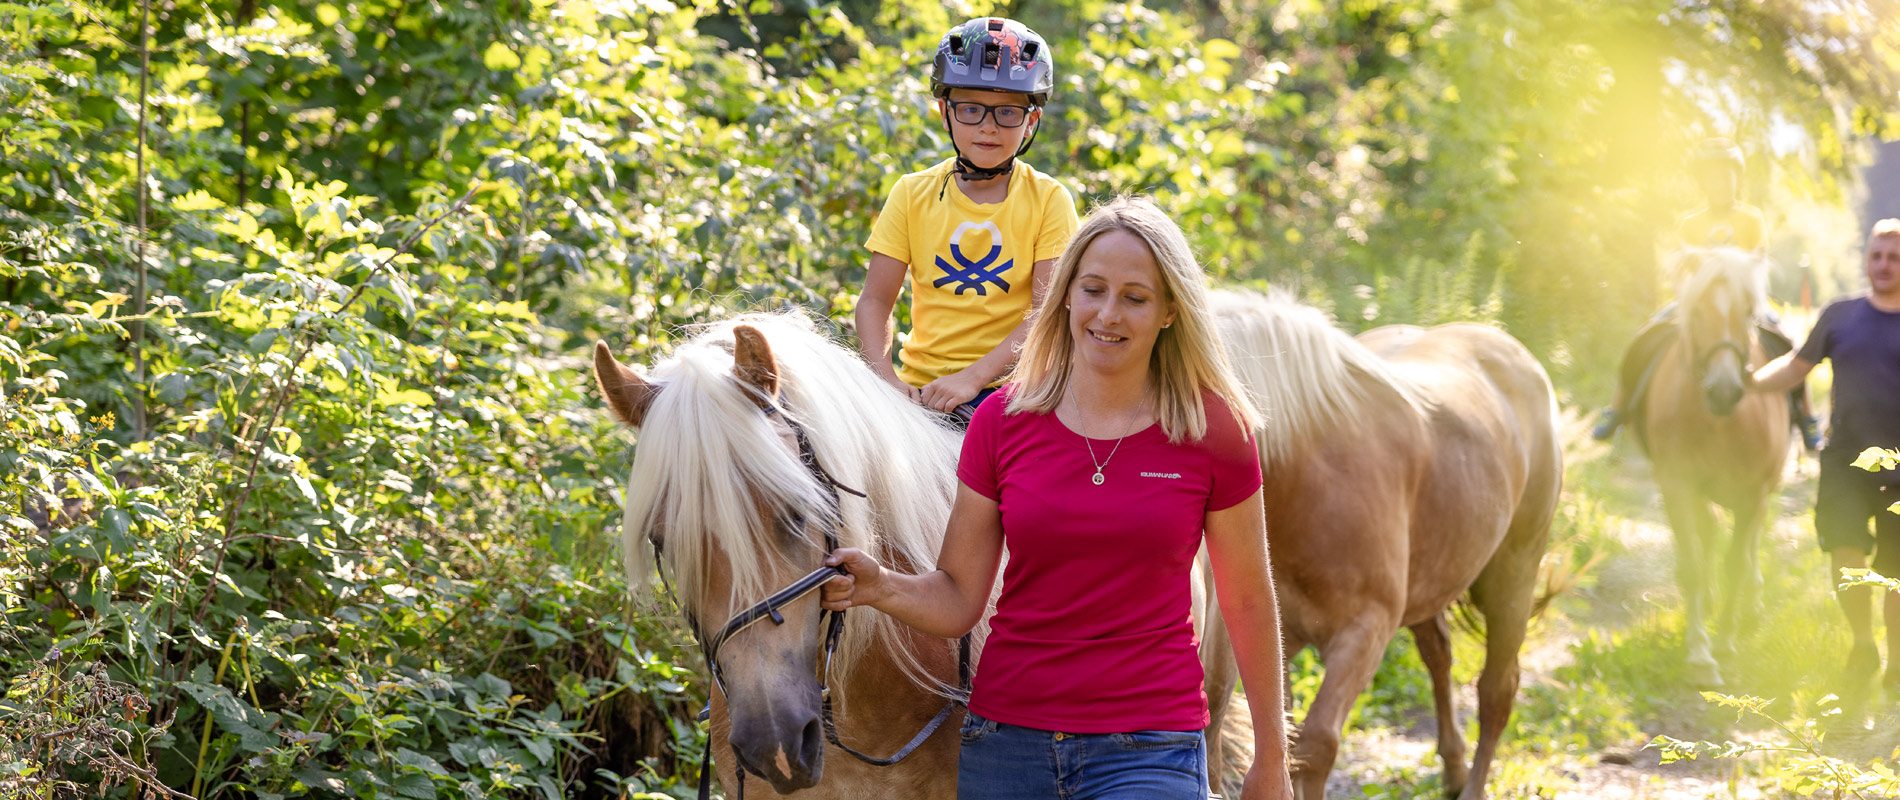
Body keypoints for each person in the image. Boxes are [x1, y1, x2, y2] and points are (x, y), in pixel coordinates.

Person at [823, 197, 1293, 800]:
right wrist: (878, 585)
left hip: (1149, 746)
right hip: (1007, 744)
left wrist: (1272, 759)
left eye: (1135, 297)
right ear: (1065, 294)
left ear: (1171, 311)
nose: (1108, 314)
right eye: (1093, 289)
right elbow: (960, 598)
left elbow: (1249, 598)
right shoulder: (1003, 419)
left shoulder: (1213, 429)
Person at [856, 17, 1080, 418]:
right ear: (945, 112)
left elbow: (1048, 315)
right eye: (971, 109)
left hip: (1011, 391)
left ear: (1031, 120)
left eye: (1008, 113)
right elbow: (875, 301)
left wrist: (974, 378)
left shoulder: (1049, 200)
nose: (988, 128)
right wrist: (885, 380)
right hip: (920, 388)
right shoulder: (911, 193)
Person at [1593, 138, 1823, 449]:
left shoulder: (1751, 219)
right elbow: (1684, 267)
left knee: (1788, 342)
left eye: (1726, 176)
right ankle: (1617, 408)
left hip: (1742, 301)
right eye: (1712, 177)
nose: (1720, 183)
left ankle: (1805, 415)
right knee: (1645, 336)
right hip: (1698, 300)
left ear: (1736, 179)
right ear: (1703, 182)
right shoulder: (1690, 223)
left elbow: (1756, 263)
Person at [1750, 219, 1900, 690]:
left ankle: (1897, 664)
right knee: (1843, 549)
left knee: (1896, 572)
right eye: (1877, 256)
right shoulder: (1840, 315)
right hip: (1845, 461)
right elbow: (1796, 368)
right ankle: (1862, 646)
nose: (1884, 265)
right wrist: (1748, 384)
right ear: (1866, 260)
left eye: (1894, 257)